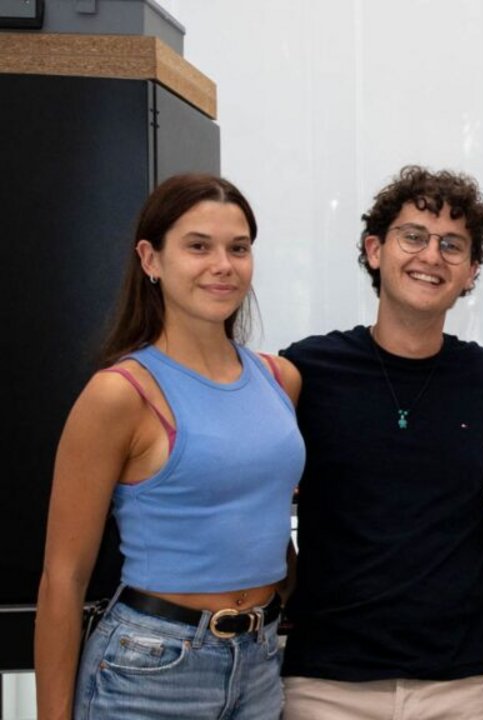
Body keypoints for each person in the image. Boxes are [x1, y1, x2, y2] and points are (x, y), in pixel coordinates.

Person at [34, 174, 305, 720]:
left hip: (259, 662)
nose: (222, 265)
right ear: (151, 259)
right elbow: (63, 577)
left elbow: (265, 520)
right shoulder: (120, 394)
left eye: (239, 248)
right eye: (198, 246)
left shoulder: (281, 380)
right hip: (149, 670)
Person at [279, 166, 483, 719]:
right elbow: (253, 502)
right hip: (326, 683)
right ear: (375, 249)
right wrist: (296, 589)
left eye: (452, 245)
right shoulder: (306, 371)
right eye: (414, 236)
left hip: (464, 683)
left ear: (471, 272)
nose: (431, 256)